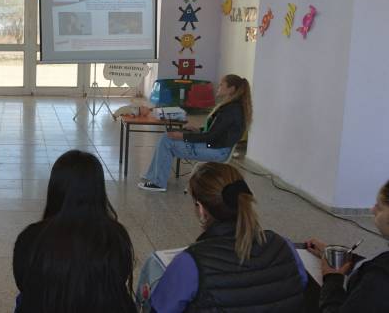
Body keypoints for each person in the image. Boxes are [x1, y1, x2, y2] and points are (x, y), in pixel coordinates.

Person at [148, 162, 307, 312]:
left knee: (153, 271)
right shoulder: (284, 246)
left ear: (202, 209)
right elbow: (301, 286)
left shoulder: (190, 263)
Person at [12, 150, 136, 313]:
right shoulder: (116, 236)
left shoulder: (31, 238)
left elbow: (23, 282)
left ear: (55, 188)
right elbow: (121, 277)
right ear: (98, 190)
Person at [138, 74, 252, 192]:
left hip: (216, 151)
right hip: (216, 147)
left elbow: (210, 137)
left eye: (222, 84)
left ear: (231, 89)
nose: (218, 86)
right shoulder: (232, 107)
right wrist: (199, 130)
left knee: (167, 141)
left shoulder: (230, 110)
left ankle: (158, 183)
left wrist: (182, 136)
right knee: (167, 137)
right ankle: (153, 175)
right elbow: (217, 131)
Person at [305, 179, 389, 312]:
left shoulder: (379, 280)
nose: (372, 210)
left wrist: (332, 278)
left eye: (379, 207)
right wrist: (348, 258)